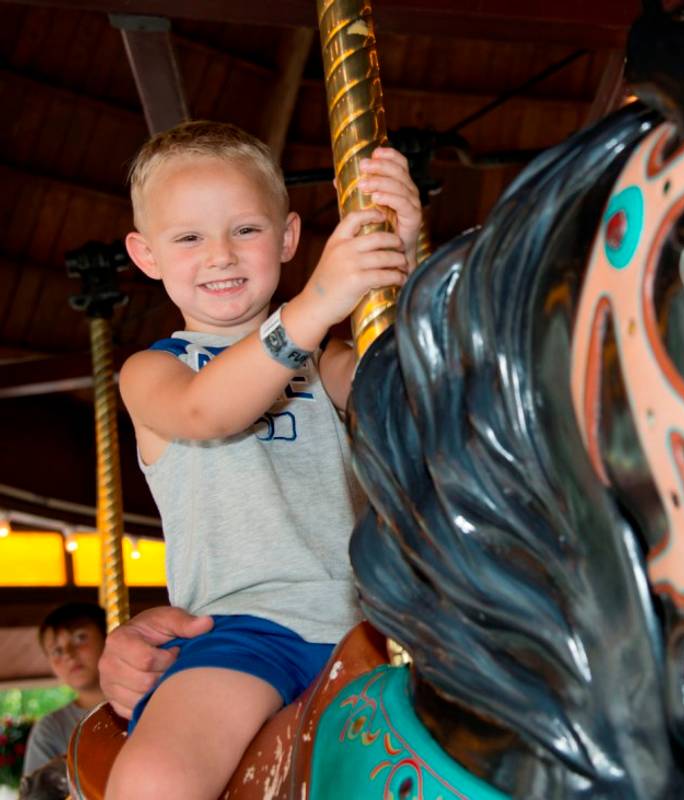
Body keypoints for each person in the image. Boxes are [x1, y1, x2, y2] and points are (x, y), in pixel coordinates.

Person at [104, 120, 422, 800]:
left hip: (375, 628)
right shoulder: (155, 371)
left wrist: (401, 266)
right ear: (146, 254)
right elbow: (207, 411)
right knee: (155, 783)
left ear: (287, 238)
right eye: (188, 238)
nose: (220, 254)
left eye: (245, 230)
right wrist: (314, 305)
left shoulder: (328, 358)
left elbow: (404, 387)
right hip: (247, 634)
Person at [22, 602, 106, 775]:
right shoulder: (51, 729)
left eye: (80, 638)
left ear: (107, 637)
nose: (68, 653)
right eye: (57, 651)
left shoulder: (154, 700)